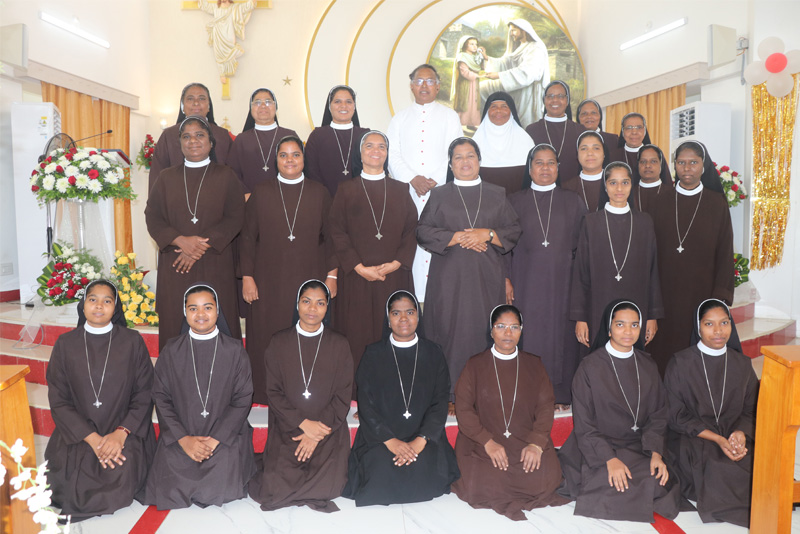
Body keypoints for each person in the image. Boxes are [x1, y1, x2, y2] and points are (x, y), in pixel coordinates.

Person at [417, 137, 521, 405]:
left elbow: (513, 230)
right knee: (448, 331)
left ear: (479, 160)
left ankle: (485, 393)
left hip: (486, 278)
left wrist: (486, 234)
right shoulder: (439, 195)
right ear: (451, 164)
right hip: (448, 279)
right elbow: (423, 231)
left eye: (470, 156)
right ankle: (450, 395)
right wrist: (456, 237)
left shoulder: (497, 193)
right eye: (458, 157)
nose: (465, 161)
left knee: (482, 330)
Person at [558, 300, 681, 522]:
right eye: (620, 324)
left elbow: (658, 415)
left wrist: (655, 453)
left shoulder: (648, 365)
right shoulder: (589, 367)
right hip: (597, 445)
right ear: (609, 328)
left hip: (638, 445)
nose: (628, 331)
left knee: (657, 481)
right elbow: (584, 424)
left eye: (634, 325)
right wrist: (609, 459)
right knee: (609, 480)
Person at [45, 280, 155, 521]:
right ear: (83, 305)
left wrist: (121, 433)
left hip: (123, 428)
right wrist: (93, 439)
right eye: (93, 299)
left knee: (119, 469)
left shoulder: (132, 341)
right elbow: (59, 399)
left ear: (115, 308)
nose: (99, 306)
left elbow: (145, 392)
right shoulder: (65, 343)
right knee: (72, 476)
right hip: (79, 431)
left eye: (107, 301)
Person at [239, 135, 338, 404]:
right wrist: (247, 276)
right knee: (267, 335)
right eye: (284, 155)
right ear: (276, 160)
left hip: (310, 277)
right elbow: (247, 237)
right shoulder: (261, 192)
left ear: (304, 159)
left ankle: (306, 393)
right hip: (267, 280)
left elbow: (332, 238)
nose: (290, 160)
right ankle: (265, 392)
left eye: (296, 154)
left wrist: (332, 275)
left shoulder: (319, 192)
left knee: (305, 335)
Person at [343, 290, 459, 506]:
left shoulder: (434, 353)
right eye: (396, 313)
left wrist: (420, 441)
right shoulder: (373, 354)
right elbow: (366, 403)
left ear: (418, 317)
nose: (403, 318)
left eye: (410, 312)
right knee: (380, 471)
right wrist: (390, 441)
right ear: (388, 320)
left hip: (423, 434)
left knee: (424, 469)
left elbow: (440, 401)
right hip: (382, 436)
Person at [452, 305, 568, 521]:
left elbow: (545, 406)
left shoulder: (534, 364)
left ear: (521, 331)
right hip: (483, 440)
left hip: (526, 438)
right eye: (501, 326)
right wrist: (488, 442)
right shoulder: (475, 364)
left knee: (544, 480)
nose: (508, 333)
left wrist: (536, 444)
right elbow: (464, 409)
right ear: (491, 331)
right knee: (483, 484)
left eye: (514, 327)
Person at [145, 284, 255, 509]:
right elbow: (161, 396)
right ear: (185, 312)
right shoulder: (172, 350)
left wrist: (215, 439)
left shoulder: (235, 350)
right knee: (172, 484)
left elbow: (243, 399)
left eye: (207, 307)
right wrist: (184, 439)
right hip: (182, 432)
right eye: (193, 308)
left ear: (217, 311)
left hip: (224, 434)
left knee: (222, 480)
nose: (201, 314)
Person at [249, 280, 353, 512]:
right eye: (307, 301)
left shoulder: (339, 344)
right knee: (273, 490)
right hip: (289, 429)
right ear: (297, 304)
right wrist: (303, 424)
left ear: (327, 308)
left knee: (331, 488)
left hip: (328, 430)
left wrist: (316, 433)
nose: (312, 309)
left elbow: (343, 395)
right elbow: (273, 392)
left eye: (320, 303)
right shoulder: (279, 342)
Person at [145, 116, 244, 351]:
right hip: (176, 265)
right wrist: (180, 240)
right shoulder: (166, 177)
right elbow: (152, 215)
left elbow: (236, 215)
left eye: (200, 135)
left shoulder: (226, 175)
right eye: (186, 137)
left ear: (211, 142)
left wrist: (198, 246)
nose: (193, 141)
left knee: (220, 322)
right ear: (180, 143)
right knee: (175, 324)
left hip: (216, 262)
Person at [329, 131, 417, 378]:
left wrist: (396, 263)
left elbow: (412, 229)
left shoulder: (401, 189)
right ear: (360, 153)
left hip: (394, 277)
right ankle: (358, 391)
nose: (375, 151)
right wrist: (358, 267)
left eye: (381, 146)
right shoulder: (346, 189)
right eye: (369, 146)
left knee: (392, 336)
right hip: (356, 278)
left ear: (387, 153)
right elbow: (337, 231)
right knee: (357, 336)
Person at [664, 299, 757, 527]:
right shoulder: (680, 363)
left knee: (759, 464)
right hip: (694, 437)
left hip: (732, 434)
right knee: (716, 466)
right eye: (709, 324)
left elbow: (752, 408)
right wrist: (716, 438)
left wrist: (740, 433)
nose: (718, 331)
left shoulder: (742, 364)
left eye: (724, 323)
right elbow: (675, 415)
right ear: (698, 327)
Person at [506, 144, 586, 409]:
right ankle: (527, 396)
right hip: (525, 282)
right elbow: (503, 246)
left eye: (551, 163)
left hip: (564, 283)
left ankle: (560, 395)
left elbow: (583, 248)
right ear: (529, 169)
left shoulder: (573, 201)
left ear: (558, 168)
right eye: (539, 163)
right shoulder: (514, 201)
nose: (545, 168)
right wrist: (506, 278)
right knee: (529, 335)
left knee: (562, 338)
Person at [647, 141, 734, 376]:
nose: (687, 168)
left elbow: (725, 251)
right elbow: (649, 252)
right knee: (663, 354)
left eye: (693, 162)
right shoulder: (660, 201)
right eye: (681, 162)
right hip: (665, 294)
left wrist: (719, 296)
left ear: (703, 166)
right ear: (674, 165)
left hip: (701, 292)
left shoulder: (716, 203)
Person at [387, 63, 462, 302]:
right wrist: (413, 179)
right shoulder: (399, 118)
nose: (424, 85)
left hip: (440, 192)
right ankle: (412, 299)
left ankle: (437, 297)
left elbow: (456, 152)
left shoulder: (450, 116)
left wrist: (433, 181)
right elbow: (391, 154)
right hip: (407, 192)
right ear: (411, 86)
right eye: (419, 81)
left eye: (430, 81)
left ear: (438, 86)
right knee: (409, 240)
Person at [571, 162, 663, 351]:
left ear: (631, 185)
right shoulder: (591, 222)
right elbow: (581, 272)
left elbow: (653, 271)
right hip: (598, 304)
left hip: (637, 302)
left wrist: (652, 315)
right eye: (613, 183)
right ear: (605, 186)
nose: (619, 188)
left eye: (625, 182)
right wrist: (580, 317)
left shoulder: (644, 222)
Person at [148, 83, 233, 192]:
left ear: (209, 106)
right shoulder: (168, 135)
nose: (196, 103)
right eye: (190, 98)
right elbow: (157, 174)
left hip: (216, 195)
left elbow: (234, 173)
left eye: (202, 98)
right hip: (176, 196)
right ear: (182, 106)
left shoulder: (222, 135)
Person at [227, 88, 298, 198]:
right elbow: (232, 173)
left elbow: (301, 168)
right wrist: (244, 193)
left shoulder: (289, 136)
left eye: (268, 101)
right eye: (257, 102)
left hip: (287, 197)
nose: (263, 106)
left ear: (275, 107)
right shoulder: (241, 139)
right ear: (251, 108)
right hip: (250, 200)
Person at [479, 19, 550, 128]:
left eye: (514, 30)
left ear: (523, 30)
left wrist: (499, 75)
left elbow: (528, 72)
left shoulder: (536, 48)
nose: (511, 34)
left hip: (527, 91)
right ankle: (491, 124)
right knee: (482, 89)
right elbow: (506, 63)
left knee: (523, 123)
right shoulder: (521, 46)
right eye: (510, 31)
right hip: (514, 84)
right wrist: (487, 58)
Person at [305, 85, 371, 197]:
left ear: (354, 106)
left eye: (348, 102)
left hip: (361, 199)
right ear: (329, 106)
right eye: (337, 101)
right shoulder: (317, 136)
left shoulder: (365, 135)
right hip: (325, 200)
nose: (343, 106)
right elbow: (311, 172)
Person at [471, 91, 535, 195]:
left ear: (511, 111)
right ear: (487, 111)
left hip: (518, 199)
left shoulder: (526, 141)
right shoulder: (475, 144)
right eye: (494, 107)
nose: (498, 110)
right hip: (484, 199)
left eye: (504, 106)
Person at [526, 81, 587, 181]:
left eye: (560, 96)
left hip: (573, 186)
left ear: (567, 101)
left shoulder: (580, 130)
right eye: (550, 96)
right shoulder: (532, 130)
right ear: (544, 100)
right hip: (541, 185)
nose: (555, 100)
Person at [197, 0, 256, 84]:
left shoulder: (235, 8)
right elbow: (206, 6)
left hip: (229, 35)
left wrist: (252, 2)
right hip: (218, 34)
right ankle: (222, 73)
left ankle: (228, 69)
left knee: (229, 51)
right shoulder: (216, 8)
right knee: (218, 54)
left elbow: (246, 7)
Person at [613, 113, 672, 183]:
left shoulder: (655, 153)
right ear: (623, 131)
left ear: (645, 130)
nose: (634, 132)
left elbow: (667, 183)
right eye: (629, 128)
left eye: (639, 127)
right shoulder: (614, 155)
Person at [561, 130, 607, 212]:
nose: (590, 153)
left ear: (604, 154)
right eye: (584, 149)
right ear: (577, 154)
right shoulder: (567, 187)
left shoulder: (617, 184)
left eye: (596, 148)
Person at [451, 36, 485, 130]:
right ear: (465, 45)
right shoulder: (462, 56)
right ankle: (461, 125)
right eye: (472, 44)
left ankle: (472, 123)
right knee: (466, 103)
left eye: (476, 44)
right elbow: (464, 72)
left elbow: (480, 67)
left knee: (474, 104)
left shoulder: (475, 57)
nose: (475, 46)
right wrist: (478, 76)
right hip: (466, 85)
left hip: (474, 84)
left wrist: (482, 56)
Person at [633, 144, 673, 216]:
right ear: (638, 165)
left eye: (653, 161)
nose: (647, 165)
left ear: (661, 165)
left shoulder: (673, 194)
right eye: (643, 161)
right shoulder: (628, 194)